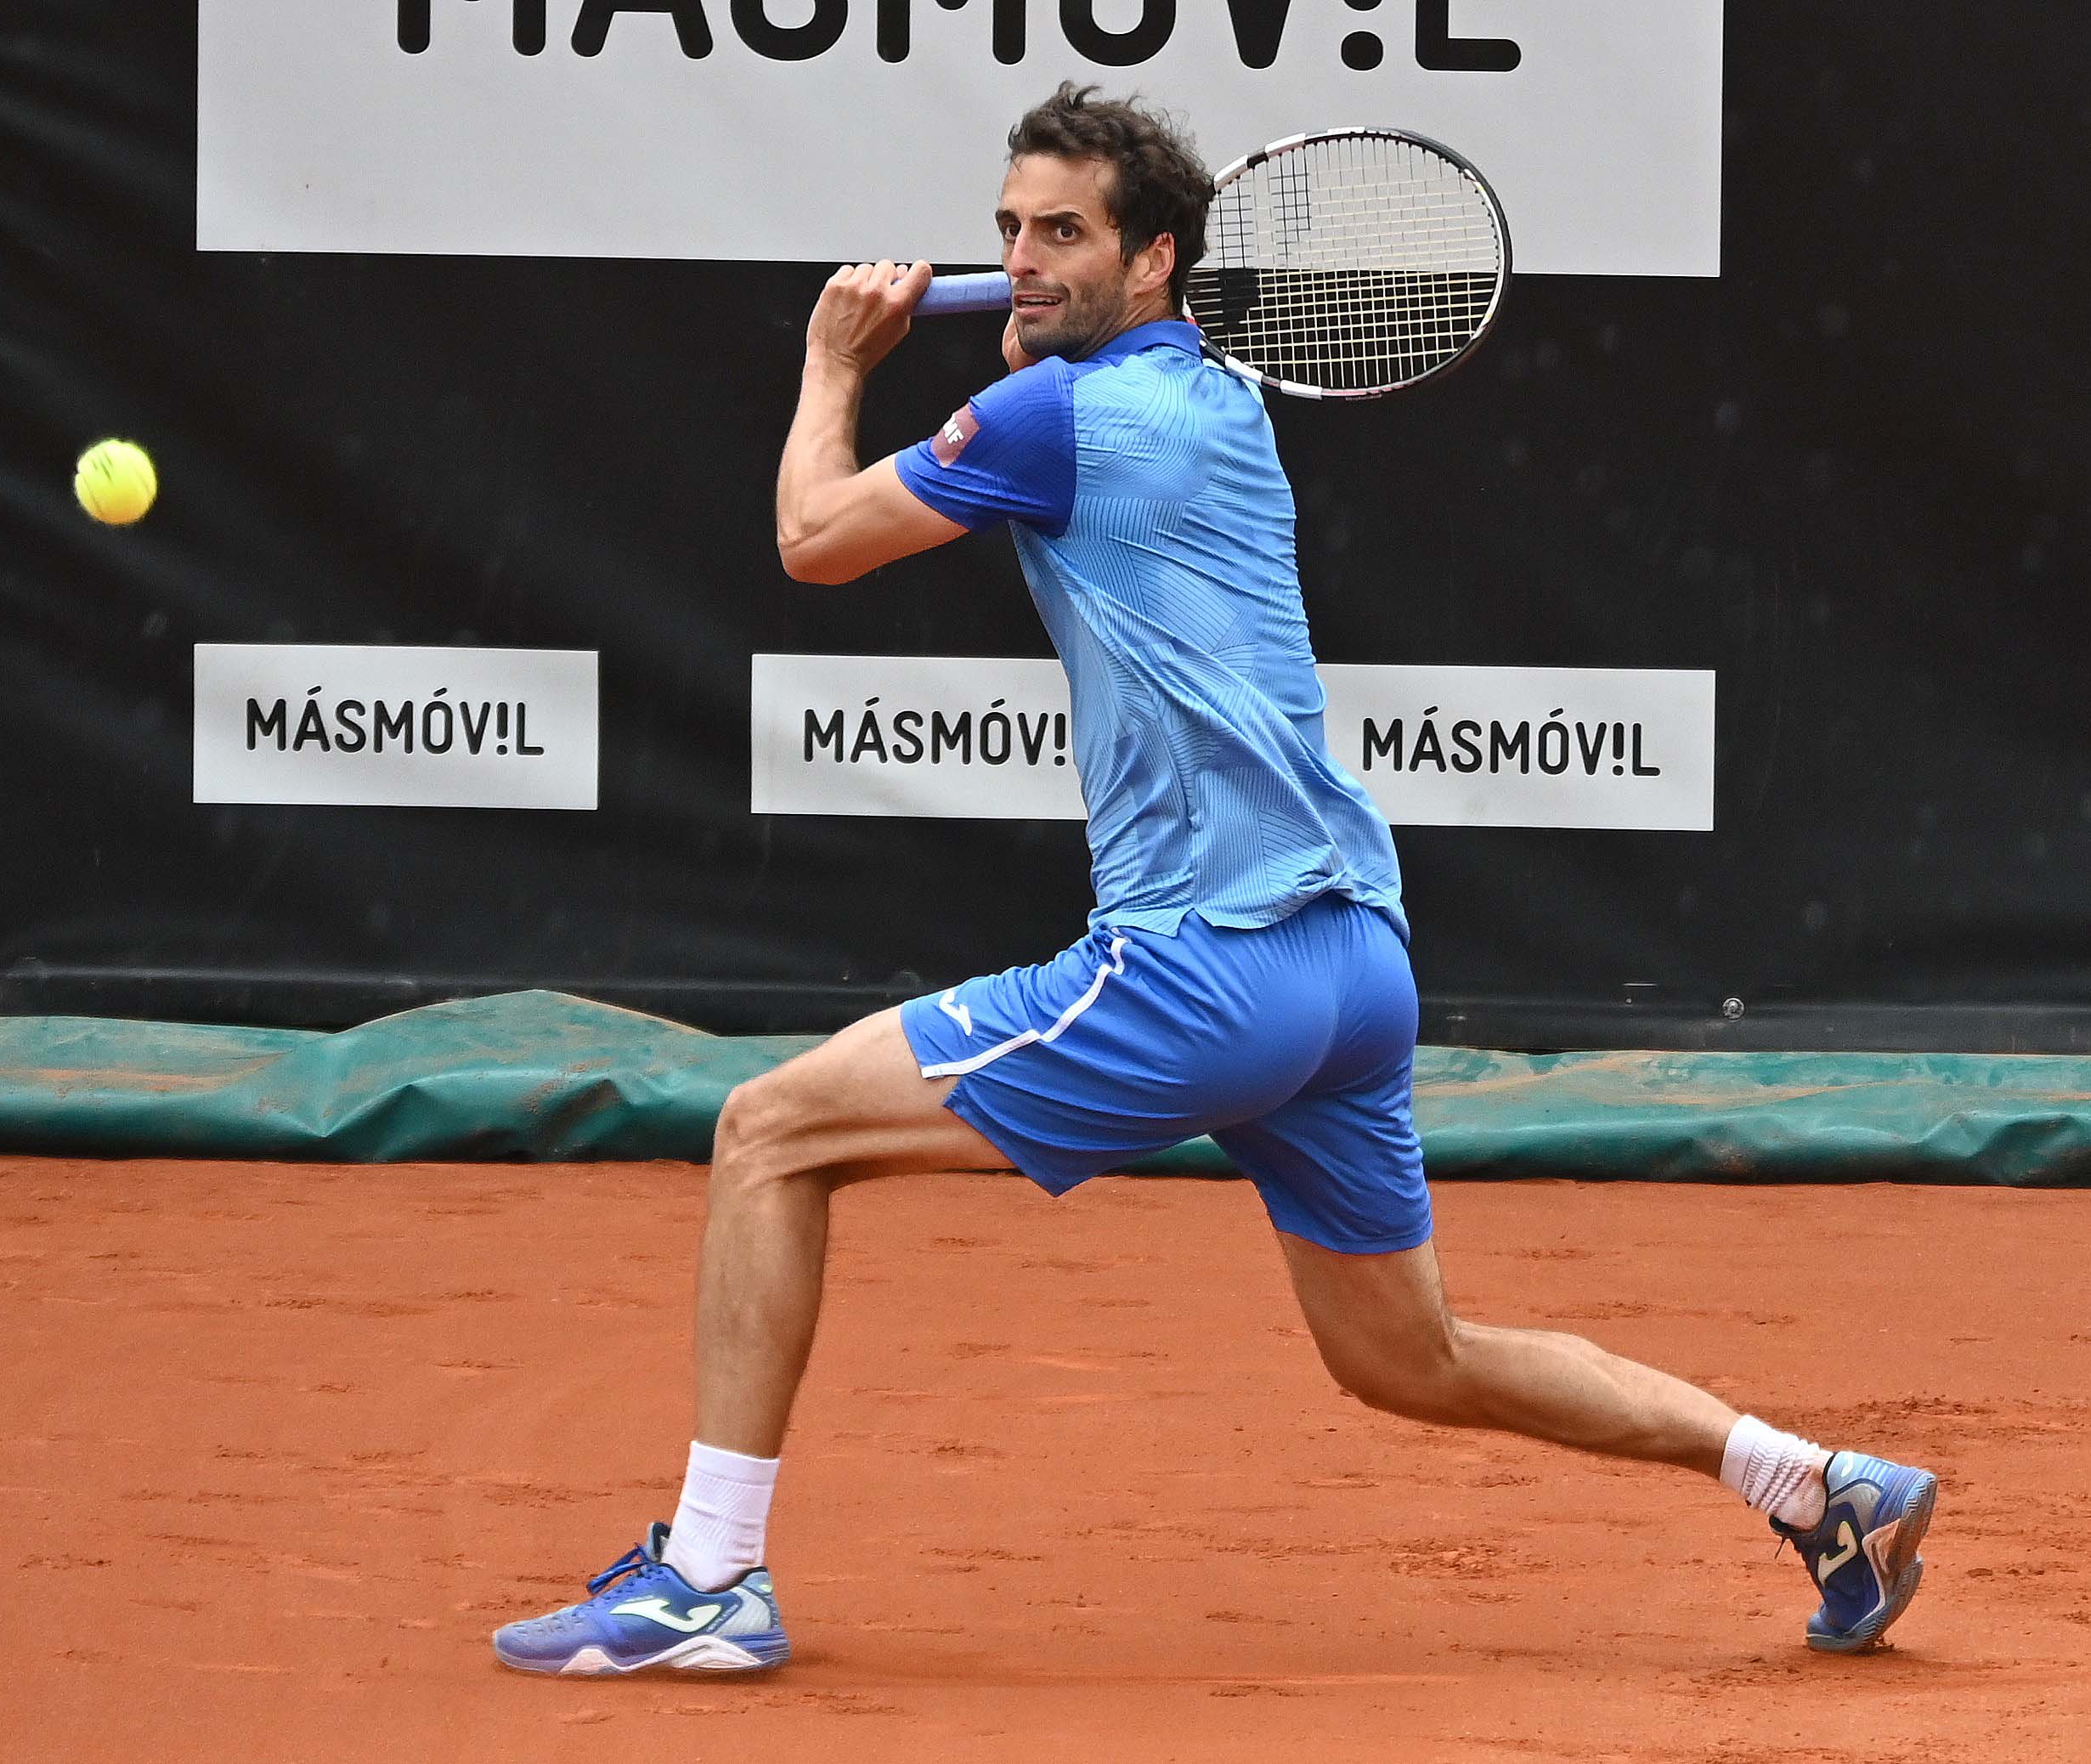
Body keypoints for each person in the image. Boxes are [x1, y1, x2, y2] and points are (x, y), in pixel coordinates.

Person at [491, 86, 1937, 1678]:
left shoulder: (1052, 420)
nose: (1023, 262)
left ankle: (707, 1579)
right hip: (1351, 969)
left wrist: (836, 364)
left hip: (1202, 968)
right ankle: (1813, 1483)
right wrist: (1028, 346)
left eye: (1064, 235)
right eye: (1008, 233)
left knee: (768, 1135)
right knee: (1411, 1357)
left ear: (1159, 254)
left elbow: (814, 538)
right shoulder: (1221, 400)